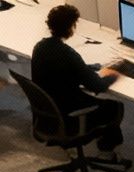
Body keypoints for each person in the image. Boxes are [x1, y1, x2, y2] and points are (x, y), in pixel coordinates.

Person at [30, 4, 128, 156]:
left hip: (48, 114)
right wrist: (114, 74)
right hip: (68, 118)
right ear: (71, 28)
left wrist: (88, 67)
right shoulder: (68, 55)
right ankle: (106, 147)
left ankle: (107, 147)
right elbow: (98, 86)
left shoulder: (40, 47)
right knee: (114, 107)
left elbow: (65, 68)